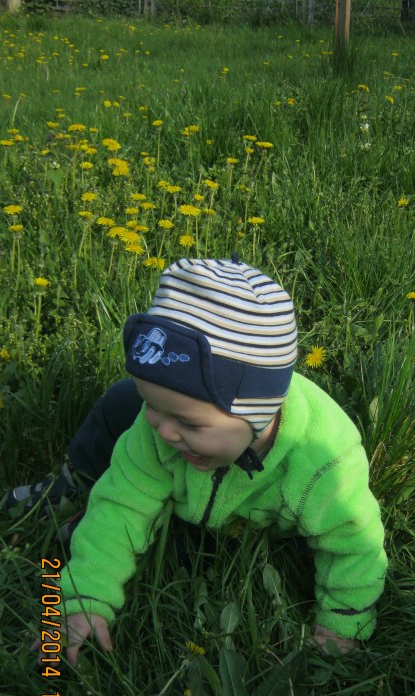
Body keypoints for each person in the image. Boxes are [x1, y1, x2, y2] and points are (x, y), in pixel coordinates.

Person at [26, 257, 387, 666]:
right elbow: (122, 504)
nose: (162, 432)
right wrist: (86, 595)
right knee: (119, 406)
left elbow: (354, 546)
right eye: (155, 407)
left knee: (183, 549)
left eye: (188, 423)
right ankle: (76, 480)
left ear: (258, 414)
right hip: (187, 487)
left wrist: (342, 626)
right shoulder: (158, 430)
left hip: (238, 505)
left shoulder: (324, 465)